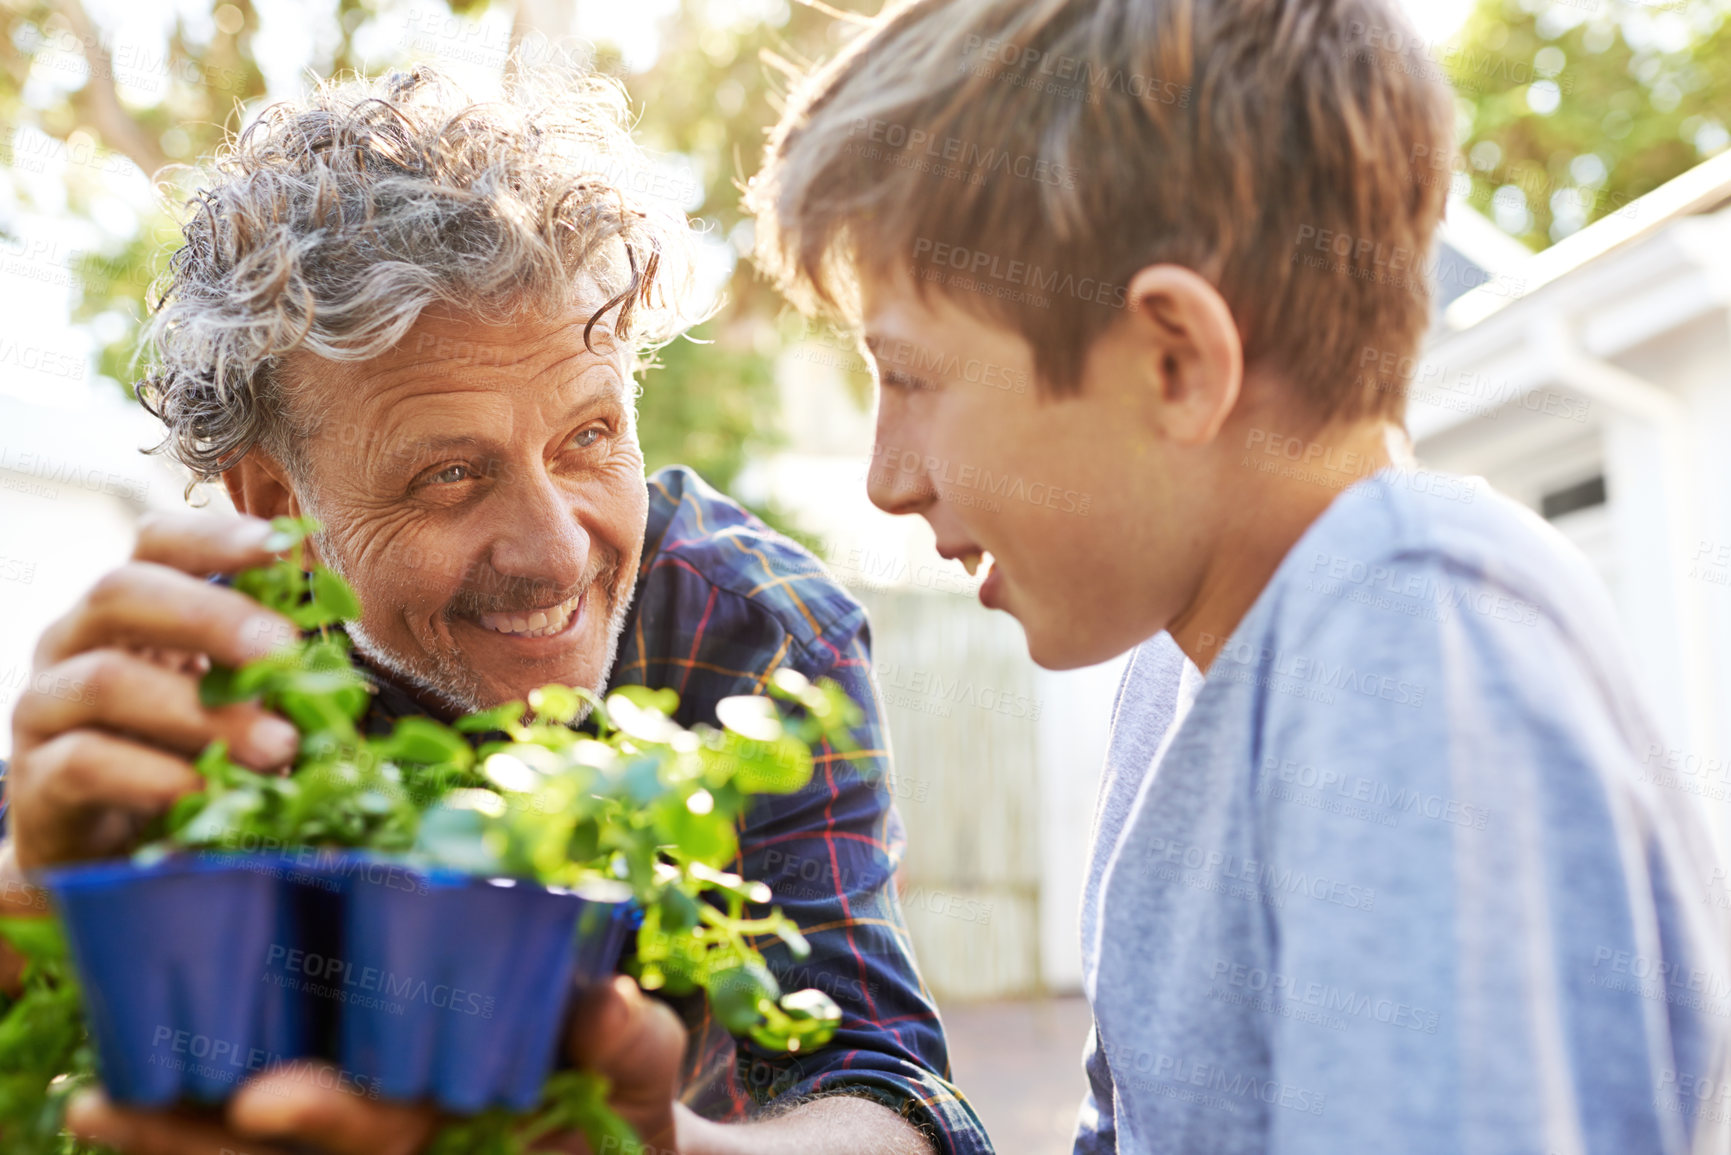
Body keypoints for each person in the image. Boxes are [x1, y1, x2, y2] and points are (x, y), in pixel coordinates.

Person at [748, 0, 1731, 1151]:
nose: (886, 479)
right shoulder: (1178, 685)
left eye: (911, 377)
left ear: (1175, 362)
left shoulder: (1410, 642)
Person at [1, 61, 990, 1155]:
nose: (558, 553)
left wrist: (671, 1149)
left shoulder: (757, 637)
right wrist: (35, 911)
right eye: (449, 476)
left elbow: (893, 1098)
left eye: (588, 438)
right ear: (276, 502)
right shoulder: (189, 676)